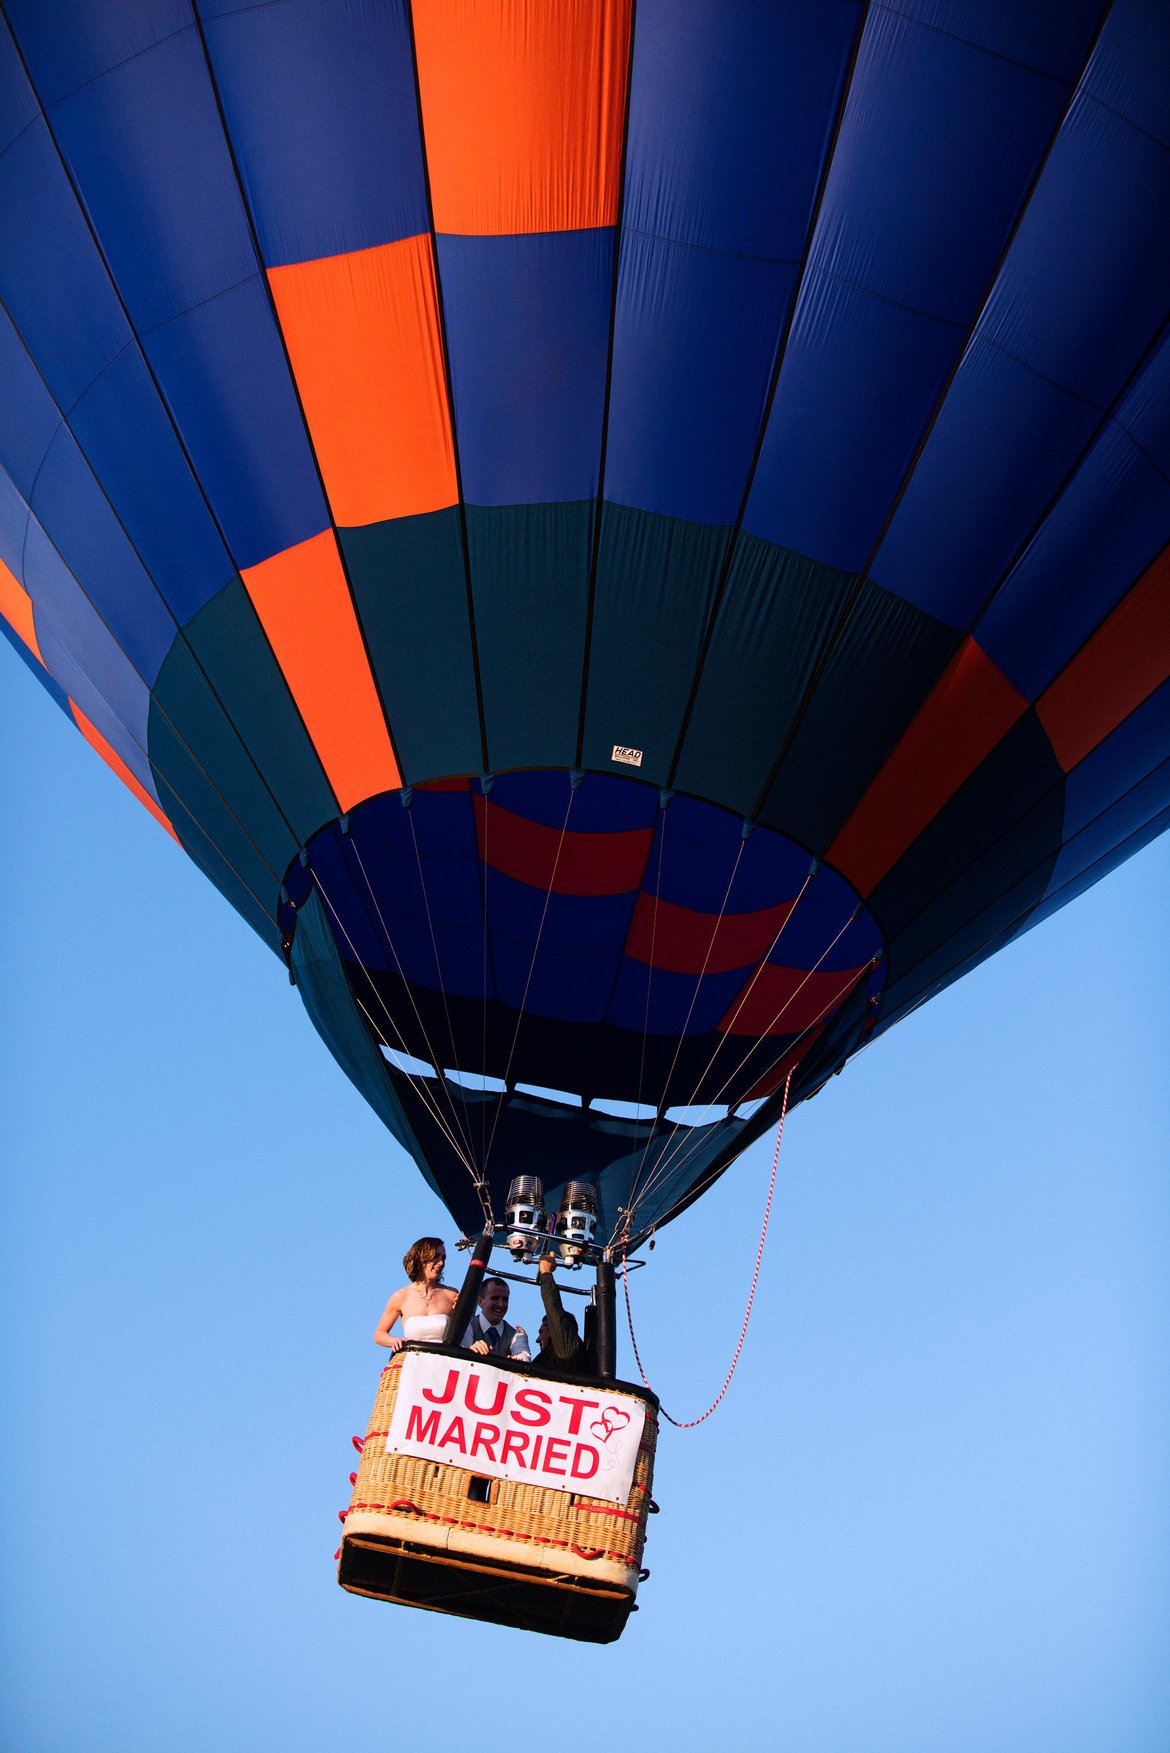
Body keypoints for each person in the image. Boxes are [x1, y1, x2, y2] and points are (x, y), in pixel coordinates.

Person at [374, 1236, 458, 1351]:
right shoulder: (401, 1297)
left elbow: (467, 1331)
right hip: (413, 1363)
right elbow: (379, 1334)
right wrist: (395, 1341)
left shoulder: (452, 1294)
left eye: (443, 1258)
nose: (441, 1263)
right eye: (436, 1257)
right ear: (421, 1258)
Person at [530, 1254, 593, 1374]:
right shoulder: (545, 1361)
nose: (538, 1340)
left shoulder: (566, 1350)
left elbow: (554, 1311)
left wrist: (545, 1272)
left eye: (541, 1332)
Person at [463, 1275, 530, 1361]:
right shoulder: (467, 1326)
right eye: (495, 1298)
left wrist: (517, 1362)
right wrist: (471, 1350)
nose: (500, 1304)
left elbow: (524, 1358)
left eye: (505, 1299)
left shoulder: (516, 1335)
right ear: (480, 1302)